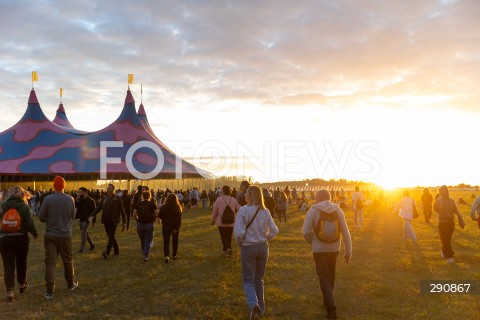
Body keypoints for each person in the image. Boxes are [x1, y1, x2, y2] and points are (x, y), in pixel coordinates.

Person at [302, 190, 352, 320]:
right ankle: (327, 301)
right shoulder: (338, 210)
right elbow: (346, 232)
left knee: (324, 277)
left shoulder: (313, 210)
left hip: (319, 249)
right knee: (331, 276)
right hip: (334, 248)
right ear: (329, 198)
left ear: (318, 197)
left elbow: (306, 231)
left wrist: (313, 241)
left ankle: (331, 309)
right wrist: (348, 252)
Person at [234, 186, 278, 319]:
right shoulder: (265, 211)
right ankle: (261, 308)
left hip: (248, 247)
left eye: (246, 193)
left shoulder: (243, 210)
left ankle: (254, 305)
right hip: (263, 247)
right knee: (259, 279)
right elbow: (275, 230)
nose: (244, 195)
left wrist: (239, 242)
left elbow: (239, 231)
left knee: (248, 279)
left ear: (251, 195)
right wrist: (266, 237)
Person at [38, 176, 78, 299]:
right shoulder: (70, 199)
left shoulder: (48, 199)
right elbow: (73, 215)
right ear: (64, 186)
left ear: (54, 186)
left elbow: (40, 217)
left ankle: (50, 290)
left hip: (50, 234)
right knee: (68, 260)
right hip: (65, 235)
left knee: (50, 262)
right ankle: (70, 284)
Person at [0, 186, 38, 302]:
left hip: (5, 238)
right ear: (22, 194)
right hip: (21, 238)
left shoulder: (3, 205)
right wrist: (34, 233)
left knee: (8, 265)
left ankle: (10, 292)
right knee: (21, 262)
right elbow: (30, 223)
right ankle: (22, 284)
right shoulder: (24, 206)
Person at [89, 184, 126, 260]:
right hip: (105, 220)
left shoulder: (117, 198)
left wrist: (124, 221)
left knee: (111, 236)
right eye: (107, 188)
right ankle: (116, 249)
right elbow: (98, 208)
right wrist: (92, 215)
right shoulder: (104, 198)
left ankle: (107, 252)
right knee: (110, 236)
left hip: (113, 220)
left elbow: (122, 210)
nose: (108, 189)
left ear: (113, 189)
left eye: (109, 188)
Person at [434, 185, 465, 263]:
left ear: (439, 192)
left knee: (445, 240)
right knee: (446, 240)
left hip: (442, 223)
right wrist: (461, 220)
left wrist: (442, 212)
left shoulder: (437, 201)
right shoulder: (451, 201)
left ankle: (450, 256)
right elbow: (457, 212)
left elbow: (435, 210)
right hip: (451, 224)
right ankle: (444, 252)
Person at [211, 185, 240, 256]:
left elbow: (215, 211)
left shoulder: (219, 200)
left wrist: (213, 220)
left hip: (221, 222)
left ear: (223, 191)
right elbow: (238, 208)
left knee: (223, 236)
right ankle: (228, 250)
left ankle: (227, 249)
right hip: (231, 221)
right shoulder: (233, 199)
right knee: (229, 236)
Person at [133, 190, 159, 262]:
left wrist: (137, 219)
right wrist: (154, 218)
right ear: (149, 196)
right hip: (149, 224)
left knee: (142, 240)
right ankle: (145, 256)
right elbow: (156, 214)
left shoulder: (138, 204)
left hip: (140, 224)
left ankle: (144, 252)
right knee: (147, 240)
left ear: (142, 196)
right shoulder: (152, 204)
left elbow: (134, 214)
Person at [159, 193, 182, 263]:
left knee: (166, 242)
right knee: (175, 241)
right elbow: (178, 219)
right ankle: (174, 255)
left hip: (166, 226)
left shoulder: (163, 207)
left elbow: (160, 216)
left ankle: (166, 256)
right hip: (174, 227)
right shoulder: (178, 207)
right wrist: (176, 228)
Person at [75, 187, 96, 253]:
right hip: (81, 219)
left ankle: (82, 248)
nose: (79, 193)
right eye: (78, 192)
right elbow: (77, 207)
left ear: (85, 192)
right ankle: (92, 245)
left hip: (87, 220)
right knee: (85, 234)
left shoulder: (91, 201)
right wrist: (77, 200)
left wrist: (93, 221)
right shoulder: (81, 199)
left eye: (80, 192)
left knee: (83, 234)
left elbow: (95, 212)